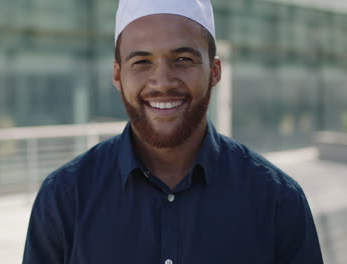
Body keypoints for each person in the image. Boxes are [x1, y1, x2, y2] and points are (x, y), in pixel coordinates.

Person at [23, 0, 323, 263]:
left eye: (183, 59)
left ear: (215, 71)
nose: (162, 81)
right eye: (141, 62)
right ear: (117, 75)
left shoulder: (277, 199)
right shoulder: (64, 198)